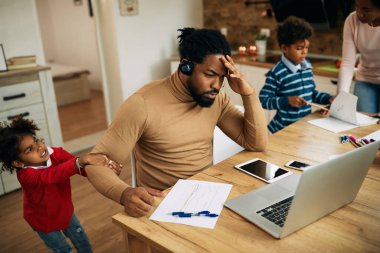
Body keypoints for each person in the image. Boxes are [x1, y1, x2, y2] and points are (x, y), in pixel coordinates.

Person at [85, 27, 268, 217]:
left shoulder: (217, 98)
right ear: (185, 66)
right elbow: (95, 163)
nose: (217, 85)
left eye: (222, 77)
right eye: (210, 74)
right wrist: (124, 193)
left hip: (207, 195)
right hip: (162, 204)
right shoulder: (142, 105)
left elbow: (256, 143)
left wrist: (248, 93)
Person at [0, 117, 122, 253]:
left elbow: (80, 167)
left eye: (36, 140)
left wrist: (106, 170)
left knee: (82, 241)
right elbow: (52, 175)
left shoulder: (56, 153)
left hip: (65, 211)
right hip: (43, 221)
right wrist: (80, 161)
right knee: (62, 249)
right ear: (18, 163)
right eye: (30, 149)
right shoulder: (25, 175)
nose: (39, 147)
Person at [259, 16, 333, 134]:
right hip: (282, 131)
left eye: (306, 48)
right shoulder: (277, 73)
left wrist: (328, 98)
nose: (304, 52)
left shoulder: (307, 67)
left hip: (303, 128)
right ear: (284, 48)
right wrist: (287, 101)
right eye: (299, 48)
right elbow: (263, 100)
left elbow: (311, 94)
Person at [337, 0, 380, 113]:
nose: (359, 13)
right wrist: (340, 98)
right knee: (363, 126)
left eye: (366, 10)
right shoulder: (352, 20)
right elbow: (347, 63)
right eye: (357, 6)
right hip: (365, 79)